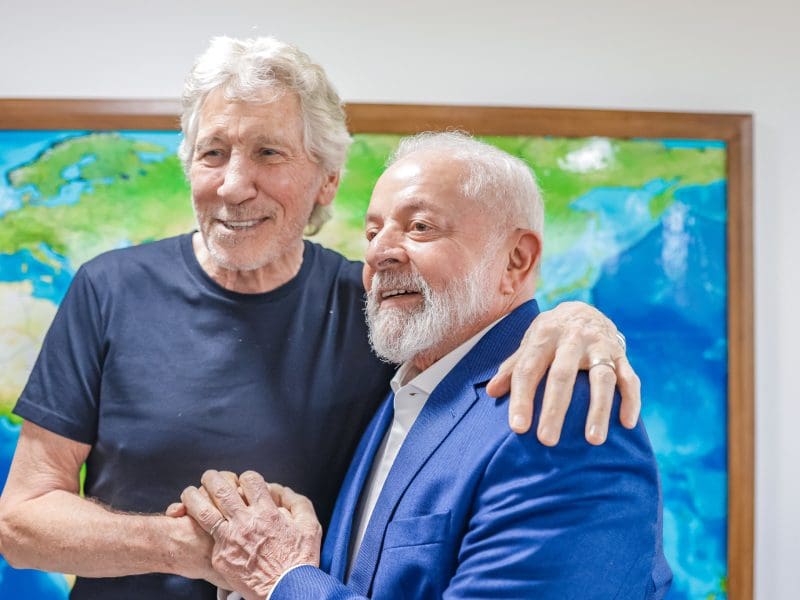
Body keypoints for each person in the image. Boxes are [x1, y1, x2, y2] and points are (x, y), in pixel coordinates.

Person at [0, 37, 639, 599]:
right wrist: (191, 547)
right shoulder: (109, 289)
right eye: (212, 153)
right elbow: (20, 525)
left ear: (326, 181)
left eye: (269, 154)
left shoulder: (377, 304)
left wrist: (576, 320)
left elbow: (475, 327)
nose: (232, 184)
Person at [180, 132, 671, 600]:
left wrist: (284, 578)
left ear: (516, 260)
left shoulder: (561, 413)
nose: (378, 252)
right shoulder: (408, 390)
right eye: (373, 232)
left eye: (420, 227)